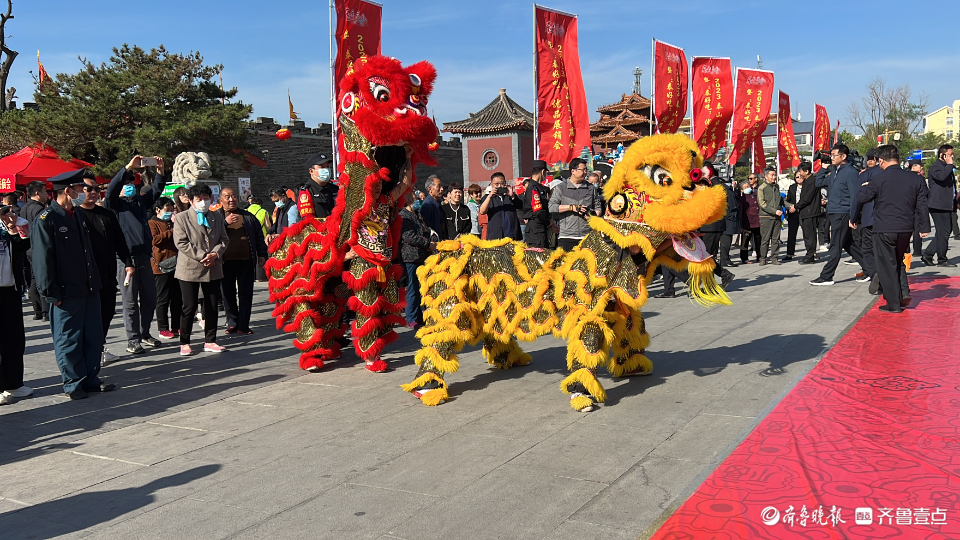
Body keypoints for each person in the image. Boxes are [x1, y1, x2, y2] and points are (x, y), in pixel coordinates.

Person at [33, 172, 115, 399]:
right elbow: (42, 262)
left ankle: (90, 378)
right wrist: (50, 294)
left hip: (88, 287)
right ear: (68, 191)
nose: (85, 193)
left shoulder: (76, 215)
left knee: (93, 337)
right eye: (81, 189)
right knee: (69, 339)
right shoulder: (46, 220)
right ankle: (73, 383)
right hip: (65, 292)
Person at [852, 145, 930, 312]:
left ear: (881, 161)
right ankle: (903, 293)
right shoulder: (915, 179)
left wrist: (865, 185)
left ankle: (894, 303)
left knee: (886, 266)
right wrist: (924, 226)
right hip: (905, 228)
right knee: (897, 260)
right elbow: (922, 204)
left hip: (884, 228)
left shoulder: (878, 179)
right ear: (899, 160)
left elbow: (861, 197)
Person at [104, 155, 167, 353]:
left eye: (132, 182)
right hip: (125, 260)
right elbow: (111, 190)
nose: (130, 185)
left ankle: (145, 332)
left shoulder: (139, 203)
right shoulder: (113, 206)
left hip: (144, 257)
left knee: (150, 298)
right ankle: (133, 339)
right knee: (130, 301)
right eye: (127, 182)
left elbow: (156, 191)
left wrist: (160, 171)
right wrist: (128, 168)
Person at [76, 170, 134, 366]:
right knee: (88, 317)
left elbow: (120, 241)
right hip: (84, 277)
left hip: (107, 275)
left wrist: (128, 262)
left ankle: (99, 347)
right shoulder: (74, 216)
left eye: (96, 188)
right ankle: (87, 351)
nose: (94, 192)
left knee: (107, 313)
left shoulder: (106, 215)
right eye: (88, 189)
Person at [174, 184, 228, 355]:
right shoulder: (182, 218)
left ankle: (210, 340)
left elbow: (224, 239)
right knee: (189, 306)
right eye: (199, 199)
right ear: (191, 201)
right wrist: (203, 255)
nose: (203, 202)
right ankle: (185, 341)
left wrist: (215, 254)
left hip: (213, 267)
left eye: (206, 198)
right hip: (190, 267)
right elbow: (181, 242)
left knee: (212, 305)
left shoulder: (216, 217)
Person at [810, 144, 864, 286]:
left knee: (835, 245)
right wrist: (823, 167)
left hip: (843, 212)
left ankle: (827, 276)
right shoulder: (835, 172)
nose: (831, 158)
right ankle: (872, 269)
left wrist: (854, 216)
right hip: (834, 212)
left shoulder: (850, 172)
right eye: (831, 155)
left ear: (843, 156)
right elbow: (819, 182)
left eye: (834, 155)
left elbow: (854, 196)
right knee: (848, 244)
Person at [218, 187, 268, 335]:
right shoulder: (216, 217)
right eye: (227, 197)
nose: (231, 199)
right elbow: (209, 234)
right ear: (221, 200)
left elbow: (259, 236)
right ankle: (232, 322)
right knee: (228, 293)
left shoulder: (248, 216)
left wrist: (262, 254)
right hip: (224, 261)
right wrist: (225, 223)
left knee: (246, 294)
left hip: (246, 260)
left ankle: (243, 325)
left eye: (233, 196)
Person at [0, 205, 31, 404]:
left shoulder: (5, 226)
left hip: (10, 289)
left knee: (14, 337)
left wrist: (12, 228)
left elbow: (20, 248)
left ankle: (14, 383)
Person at [548, 159, 601, 250]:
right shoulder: (561, 188)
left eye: (586, 170)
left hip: (587, 236)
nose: (585, 173)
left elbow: (598, 207)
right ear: (573, 171)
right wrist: (571, 207)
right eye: (582, 170)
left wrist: (593, 216)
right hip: (567, 236)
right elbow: (551, 207)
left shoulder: (590, 188)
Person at [148, 197, 181, 341]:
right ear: (158, 209)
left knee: (177, 297)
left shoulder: (172, 222)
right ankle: (163, 328)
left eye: (172, 208)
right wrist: (172, 231)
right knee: (163, 297)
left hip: (176, 262)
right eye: (167, 208)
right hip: (161, 265)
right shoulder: (152, 223)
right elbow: (155, 240)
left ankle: (176, 325)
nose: (170, 211)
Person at [399, 199, 436, 328]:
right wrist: (427, 244)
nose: (416, 200)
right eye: (413, 196)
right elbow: (409, 236)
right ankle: (412, 318)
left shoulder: (416, 213)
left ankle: (419, 316)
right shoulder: (404, 216)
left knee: (420, 288)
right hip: (410, 256)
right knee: (412, 288)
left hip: (421, 255)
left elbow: (424, 230)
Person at [698, 164, 736, 287]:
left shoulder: (715, 185)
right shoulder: (711, 185)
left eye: (702, 173)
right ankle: (711, 282)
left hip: (712, 226)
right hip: (709, 226)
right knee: (707, 256)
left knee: (707, 256)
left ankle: (723, 275)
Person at [921, 144, 956, 267]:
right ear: (942, 155)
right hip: (938, 204)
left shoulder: (946, 167)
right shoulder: (936, 167)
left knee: (943, 232)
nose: (952, 156)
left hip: (946, 204)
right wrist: (950, 164)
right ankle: (941, 259)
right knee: (944, 232)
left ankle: (928, 254)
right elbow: (941, 177)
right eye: (950, 154)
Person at [21, 181, 49, 321]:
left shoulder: (24, 208)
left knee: (33, 279)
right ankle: (45, 311)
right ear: (37, 193)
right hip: (39, 247)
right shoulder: (41, 210)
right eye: (45, 191)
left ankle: (37, 310)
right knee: (43, 277)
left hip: (28, 248)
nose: (47, 194)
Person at [850, 150, 880, 282]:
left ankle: (874, 275)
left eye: (873, 158)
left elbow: (858, 198)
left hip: (870, 217)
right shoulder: (893, 173)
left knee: (868, 249)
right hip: (889, 219)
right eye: (868, 158)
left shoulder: (866, 174)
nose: (870, 161)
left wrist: (853, 217)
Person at [792, 162, 824, 264]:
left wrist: (796, 206)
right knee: (808, 235)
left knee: (809, 235)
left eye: (801, 171)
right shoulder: (807, 181)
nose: (800, 173)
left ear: (807, 171)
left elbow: (807, 198)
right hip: (806, 212)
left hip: (810, 211)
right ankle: (810, 253)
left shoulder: (812, 181)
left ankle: (810, 255)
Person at [520, 160, 555, 249]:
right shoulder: (533, 188)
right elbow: (538, 210)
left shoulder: (537, 187)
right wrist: (549, 222)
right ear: (543, 171)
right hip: (536, 229)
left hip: (538, 228)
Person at [480, 172, 524, 241]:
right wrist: (490, 196)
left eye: (502, 183)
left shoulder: (509, 196)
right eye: (496, 184)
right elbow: (482, 211)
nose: (499, 186)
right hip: (495, 235)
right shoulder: (487, 197)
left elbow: (520, 206)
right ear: (491, 185)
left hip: (512, 234)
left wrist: (512, 196)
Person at [298, 153, 339, 219]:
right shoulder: (307, 191)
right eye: (322, 167)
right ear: (311, 171)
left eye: (327, 166)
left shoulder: (335, 189)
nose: (326, 170)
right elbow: (308, 219)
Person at [757, 168, 783, 265]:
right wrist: (774, 211)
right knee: (765, 239)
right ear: (766, 176)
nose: (774, 177)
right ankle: (763, 258)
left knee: (775, 239)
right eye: (772, 175)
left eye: (775, 175)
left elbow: (781, 200)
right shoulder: (762, 188)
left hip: (777, 217)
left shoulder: (776, 186)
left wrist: (790, 206)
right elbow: (762, 204)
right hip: (766, 217)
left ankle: (774, 258)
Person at [738, 179, 761, 263]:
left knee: (758, 241)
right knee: (745, 242)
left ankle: (760, 257)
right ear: (742, 190)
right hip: (746, 223)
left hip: (757, 222)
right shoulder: (741, 199)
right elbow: (740, 212)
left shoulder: (756, 195)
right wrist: (741, 223)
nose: (748, 188)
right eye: (745, 187)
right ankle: (744, 258)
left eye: (748, 186)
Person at [719, 178, 740, 269]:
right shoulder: (725, 189)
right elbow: (732, 205)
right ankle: (725, 259)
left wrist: (736, 189)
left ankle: (725, 259)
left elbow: (737, 198)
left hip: (728, 218)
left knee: (727, 239)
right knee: (726, 240)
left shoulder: (729, 189)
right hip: (727, 218)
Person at [784, 170, 803, 261]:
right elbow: (789, 200)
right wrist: (790, 207)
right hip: (793, 212)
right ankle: (789, 253)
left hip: (804, 212)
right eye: (797, 177)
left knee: (808, 234)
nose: (799, 179)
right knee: (791, 234)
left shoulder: (808, 187)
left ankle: (812, 252)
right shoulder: (792, 187)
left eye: (801, 176)